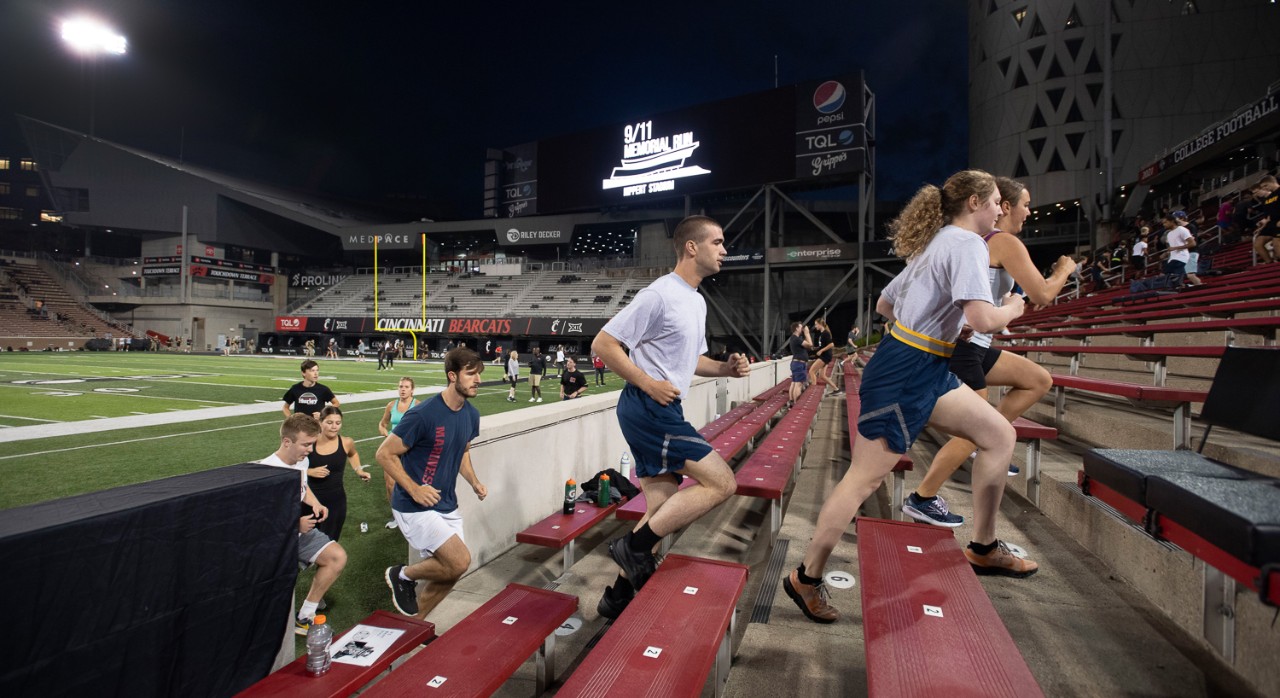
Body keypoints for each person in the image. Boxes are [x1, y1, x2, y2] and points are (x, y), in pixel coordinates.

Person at [784, 170, 1030, 625]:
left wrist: (935, 325)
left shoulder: (939, 242)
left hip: (925, 364)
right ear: (975, 202)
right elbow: (984, 317)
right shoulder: (967, 244)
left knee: (998, 435)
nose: (1002, 209)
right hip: (908, 370)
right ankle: (806, 576)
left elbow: (885, 305)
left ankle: (984, 546)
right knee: (863, 480)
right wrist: (1013, 307)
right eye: (997, 201)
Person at [591, 215, 749, 619]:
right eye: (718, 241)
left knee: (660, 506)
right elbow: (604, 344)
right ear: (692, 247)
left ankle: (617, 598)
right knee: (722, 482)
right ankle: (633, 548)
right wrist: (648, 383)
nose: (724, 250)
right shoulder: (659, 294)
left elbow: (694, 362)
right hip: (648, 406)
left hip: (662, 405)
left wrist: (726, 369)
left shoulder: (695, 300)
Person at [903, 176, 1073, 529]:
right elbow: (1042, 295)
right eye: (1025, 203)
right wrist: (1063, 271)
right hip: (966, 347)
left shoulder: (977, 241)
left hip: (976, 345)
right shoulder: (1002, 241)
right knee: (977, 429)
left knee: (1036, 380)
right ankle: (922, 498)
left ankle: (987, 441)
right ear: (1006, 206)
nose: (1030, 211)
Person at [377, 347, 488, 620]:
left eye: (479, 375)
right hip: (414, 505)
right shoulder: (423, 414)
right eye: (471, 374)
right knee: (460, 560)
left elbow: (462, 451)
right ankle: (401, 574)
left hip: (447, 504)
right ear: (452, 376)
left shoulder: (471, 415)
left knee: (452, 571)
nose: (478, 380)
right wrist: (414, 489)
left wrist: (474, 481)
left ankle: (414, 626)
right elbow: (384, 454)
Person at [258, 414, 348, 635]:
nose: (310, 450)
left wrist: (316, 503)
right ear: (287, 442)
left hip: (297, 533)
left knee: (337, 557)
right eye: (306, 444)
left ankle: (305, 617)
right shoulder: (267, 471)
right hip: (276, 540)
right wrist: (295, 524)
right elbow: (262, 518)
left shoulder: (301, 461)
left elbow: (303, 486)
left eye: (312, 444)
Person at [309, 406, 371, 541]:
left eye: (338, 423)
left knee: (329, 543)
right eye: (329, 422)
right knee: (306, 542)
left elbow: (353, 454)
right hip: (310, 501)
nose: (334, 427)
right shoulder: (309, 442)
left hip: (336, 502)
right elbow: (291, 466)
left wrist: (359, 470)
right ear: (320, 422)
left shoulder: (346, 442)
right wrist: (309, 471)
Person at [378, 377, 420, 529]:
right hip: (391, 450)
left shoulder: (417, 405)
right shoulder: (391, 405)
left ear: (412, 390)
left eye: (406, 387)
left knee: (411, 483)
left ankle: (413, 514)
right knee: (390, 484)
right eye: (401, 386)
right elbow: (382, 424)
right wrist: (384, 432)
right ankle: (397, 516)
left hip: (410, 450)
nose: (403, 389)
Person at [1161, 212, 1199, 285]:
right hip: (1174, 258)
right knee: (1175, 279)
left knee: (1190, 275)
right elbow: (1172, 248)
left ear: (1172, 221)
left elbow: (1193, 243)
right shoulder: (1169, 234)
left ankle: (1200, 288)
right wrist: (1166, 253)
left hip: (1184, 256)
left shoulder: (1182, 229)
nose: (1164, 224)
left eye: (1166, 222)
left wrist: (1176, 248)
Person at [1251, 176, 1279, 264]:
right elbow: (1268, 217)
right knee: (1257, 244)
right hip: (1272, 224)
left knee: (1277, 249)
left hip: (1277, 224)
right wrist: (1262, 225)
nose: (1265, 188)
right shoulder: (1266, 200)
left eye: (1265, 186)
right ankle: (1269, 263)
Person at [786, 321, 813, 406]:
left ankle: (791, 403)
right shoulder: (796, 339)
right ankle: (796, 405)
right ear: (797, 328)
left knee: (794, 383)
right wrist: (807, 333)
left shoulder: (793, 338)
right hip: (799, 364)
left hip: (796, 363)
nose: (802, 329)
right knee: (798, 384)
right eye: (801, 327)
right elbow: (810, 345)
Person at [809, 318, 834, 395]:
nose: (815, 326)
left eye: (816, 324)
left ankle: (812, 393)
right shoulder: (822, 334)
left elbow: (831, 344)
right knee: (822, 376)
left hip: (825, 356)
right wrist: (816, 349)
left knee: (811, 371)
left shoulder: (825, 333)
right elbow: (823, 345)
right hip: (825, 356)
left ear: (820, 324)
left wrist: (821, 350)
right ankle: (836, 388)